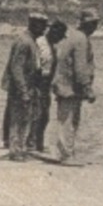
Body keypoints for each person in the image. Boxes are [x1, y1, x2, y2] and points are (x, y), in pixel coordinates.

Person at [51, 9, 98, 164]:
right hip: (69, 87)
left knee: (66, 120)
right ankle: (66, 155)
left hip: (65, 84)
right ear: (87, 24)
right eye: (93, 24)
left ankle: (66, 153)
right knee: (69, 121)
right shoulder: (81, 39)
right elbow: (80, 67)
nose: (95, 27)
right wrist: (87, 88)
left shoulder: (73, 36)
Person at [1, 13, 48, 160]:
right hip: (21, 88)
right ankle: (16, 152)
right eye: (43, 25)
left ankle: (19, 149)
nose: (45, 29)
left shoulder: (30, 41)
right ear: (34, 24)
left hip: (28, 86)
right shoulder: (24, 42)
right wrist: (23, 91)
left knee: (25, 119)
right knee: (18, 120)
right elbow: (17, 68)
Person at [31, 18, 62, 153]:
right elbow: (35, 66)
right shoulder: (40, 43)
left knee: (44, 116)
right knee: (37, 115)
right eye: (59, 36)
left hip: (46, 85)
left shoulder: (53, 46)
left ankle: (38, 143)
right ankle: (32, 143)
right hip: (37, 82)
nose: (60, 39)